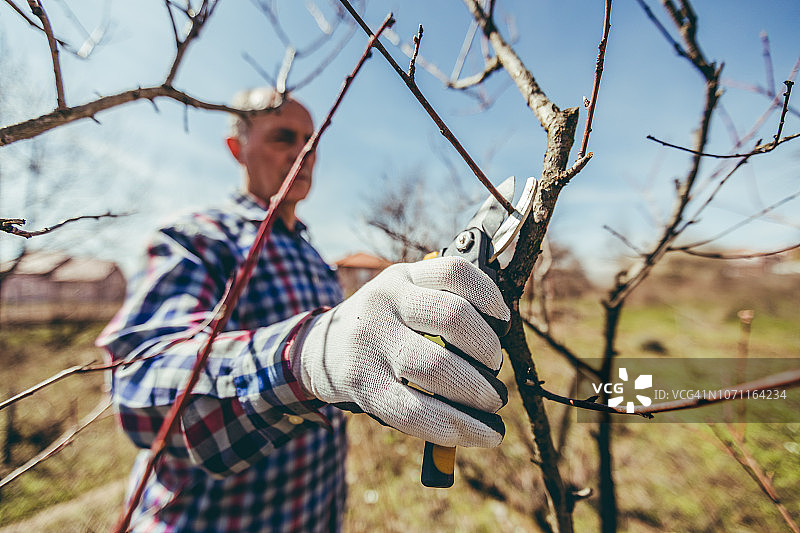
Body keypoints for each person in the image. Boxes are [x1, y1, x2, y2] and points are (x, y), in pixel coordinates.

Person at [97, 88, 509, 532]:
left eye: (311, 141)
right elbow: (138, 385)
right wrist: (307, 355)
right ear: (237, 148)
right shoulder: (197, 238)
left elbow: (345, 377)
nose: (303, 153)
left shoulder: (314, 258)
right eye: (283, 137)